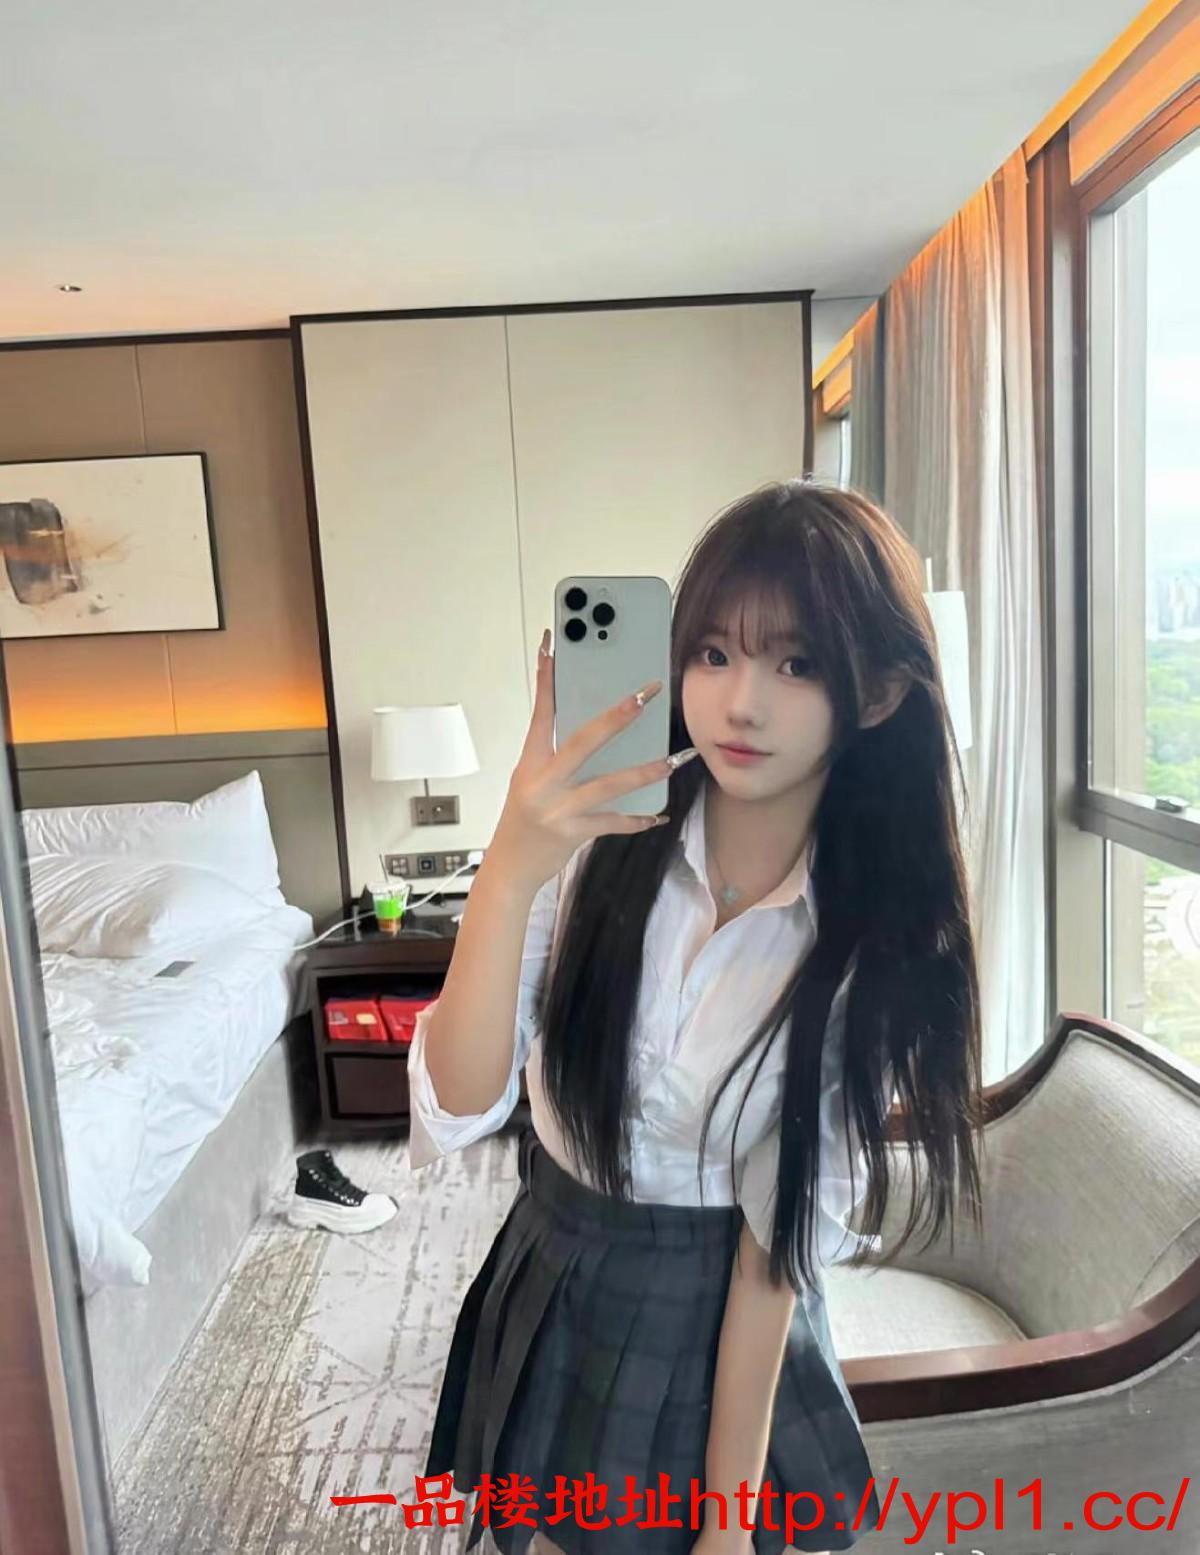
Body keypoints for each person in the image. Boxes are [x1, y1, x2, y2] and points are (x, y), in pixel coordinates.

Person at [406, 479, 984, 1555]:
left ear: (877, 692)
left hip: (723, 1318)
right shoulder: (596, 845)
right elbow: (461, 1098)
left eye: (797, 664)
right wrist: (511, 870)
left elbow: (775, 1249)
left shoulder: (876, 944)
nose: (739, 703)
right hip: (556, 1262)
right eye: (713, 653)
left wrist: (725, 1525)